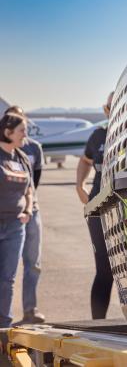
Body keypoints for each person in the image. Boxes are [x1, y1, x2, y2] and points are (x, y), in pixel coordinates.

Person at [4, 106, 45, 323]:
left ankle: (30, 310)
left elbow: (33, 182)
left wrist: (28, 207)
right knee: (6, 272)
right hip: (10, 216)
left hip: (29, 212)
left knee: (32, 263)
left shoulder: (32, 150)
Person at [75, 92, 114, 319]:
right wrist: (79, 184)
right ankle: (98, 323)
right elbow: (86, 160)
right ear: (106, 110)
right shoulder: (98, 135)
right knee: (104, 270)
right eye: (111, 105)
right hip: (98, 208)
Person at [0, 113, 33, 328]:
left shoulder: (21, 157)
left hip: (15, 226)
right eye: (22, 130)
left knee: (8, 279)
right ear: (7, 132)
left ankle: (3, 326)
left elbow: (30, 189)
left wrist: (28, 211)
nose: (25, 135)